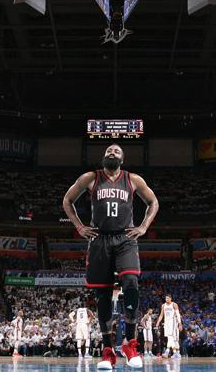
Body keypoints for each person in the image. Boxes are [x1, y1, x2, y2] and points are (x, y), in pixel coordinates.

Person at [63, 144, 159, 370]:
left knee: (131, 283)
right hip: (99, 239)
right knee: (103, 295)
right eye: (108, 151)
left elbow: (153, 202)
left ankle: (130, 344)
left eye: (116, 151)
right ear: (103, 157)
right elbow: (67, 200)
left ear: (122, 159)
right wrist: (78, 226)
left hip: (126, 238)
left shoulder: (133, 179)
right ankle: (108, 352)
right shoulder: (90, 178)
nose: (112, 153)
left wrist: (144, 226)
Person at [156, 294, 182, 359]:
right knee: (170, 337)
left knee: (171, 337)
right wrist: (158, 322)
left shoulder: (174, 304)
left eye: (168, 298)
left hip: (172, 322)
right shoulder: (163, 305)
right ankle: (175, 352)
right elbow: (161, 315)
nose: (166, 299)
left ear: (171, 298)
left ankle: (168, 352)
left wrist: (180, 323)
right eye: (166, 298)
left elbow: (178, 314)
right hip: (166, 323)